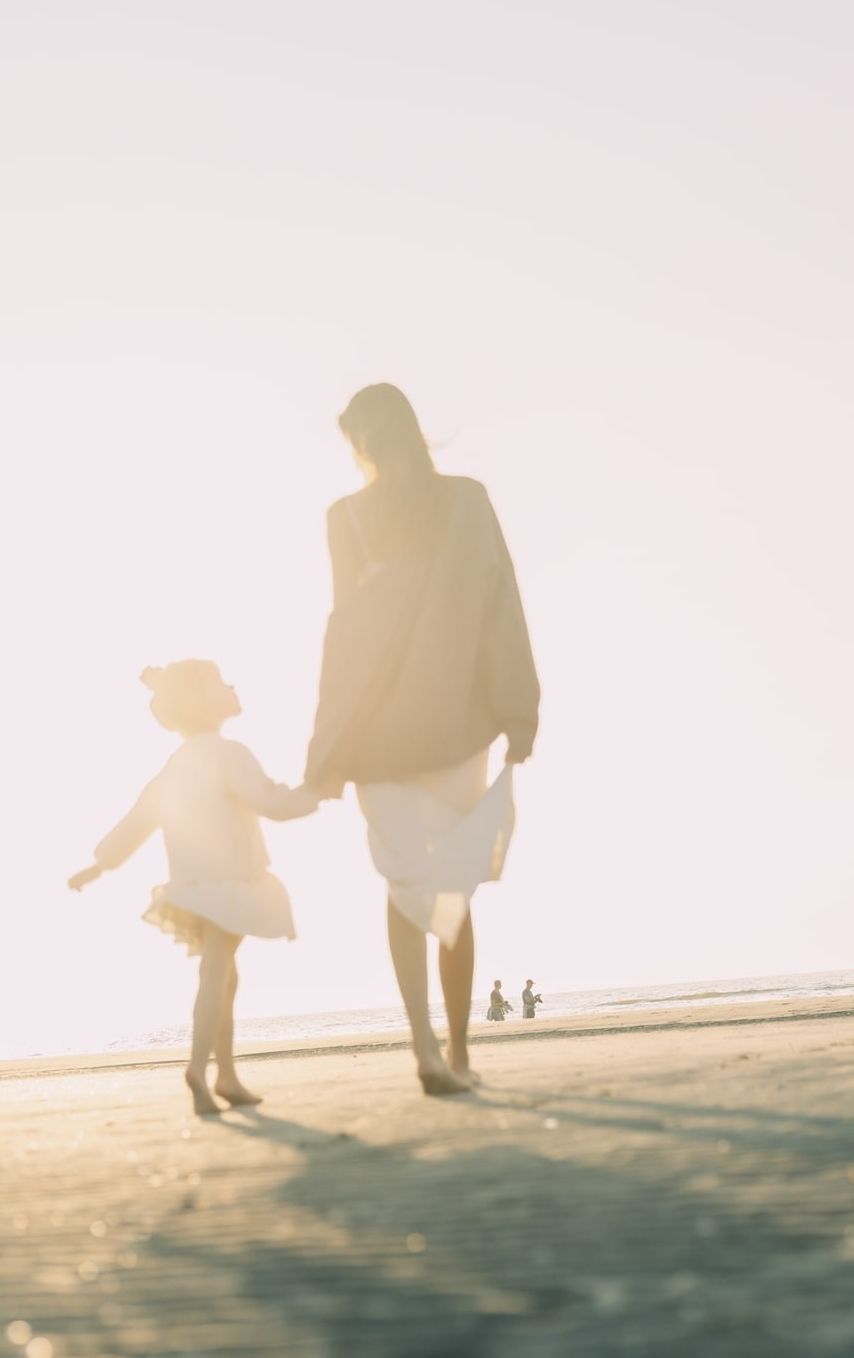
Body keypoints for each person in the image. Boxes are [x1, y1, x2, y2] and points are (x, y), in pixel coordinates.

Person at [306, 383, 540, 1095]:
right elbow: (501, 605)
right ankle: (457, 1053)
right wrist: (519, 710)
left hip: (378, 735)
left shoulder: (348, 518)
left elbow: (344, 634)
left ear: (361, 440)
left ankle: (427, 1047)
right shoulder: (467, 500)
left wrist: (328, 749)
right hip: (456, 729)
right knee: (449, 890)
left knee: (405, 883)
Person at [70, 660, 321, 1116]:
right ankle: (199, 1069)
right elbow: (271, 802)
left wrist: (99, 865)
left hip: (194, 884)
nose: (232, 685)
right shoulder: (229, 753)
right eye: (221, 682)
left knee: (223, 976)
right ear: (201, 702)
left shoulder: (175, 763)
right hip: (228, 882)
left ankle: (225, 1075)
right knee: (216, 974)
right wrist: (319, 790)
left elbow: (137, 821)